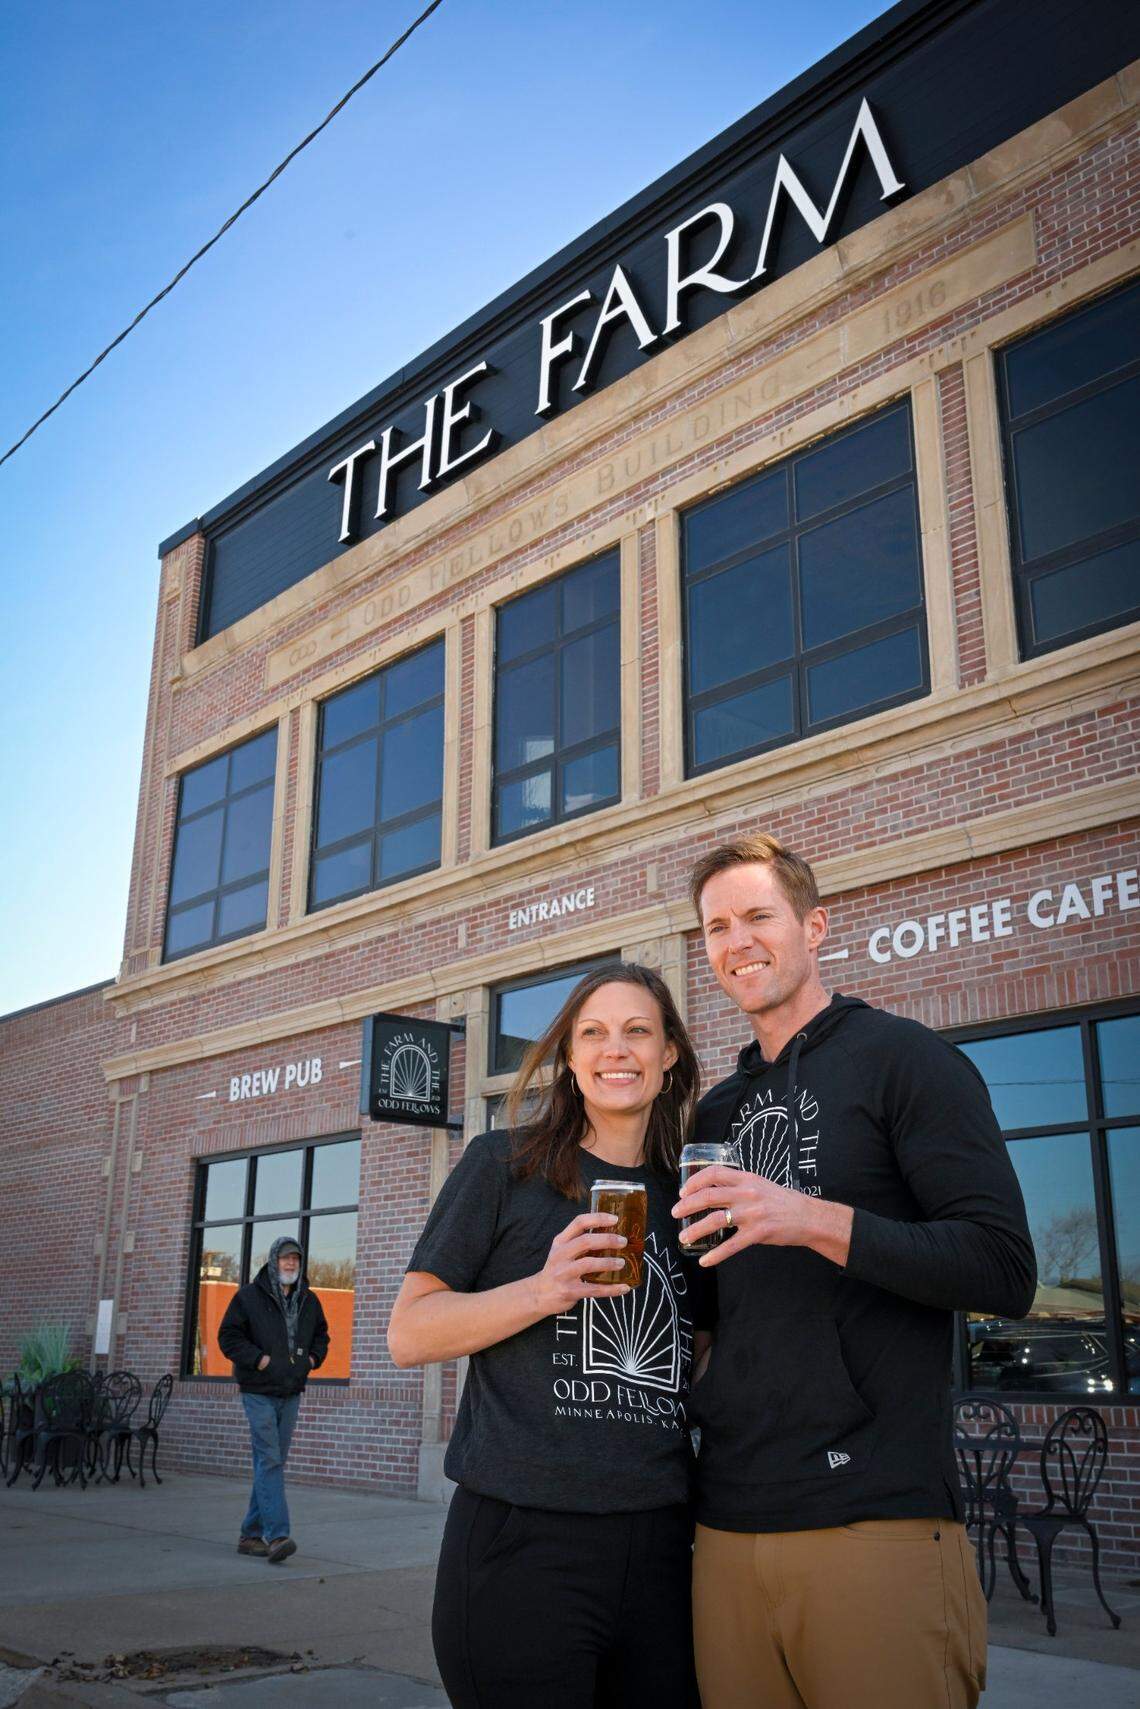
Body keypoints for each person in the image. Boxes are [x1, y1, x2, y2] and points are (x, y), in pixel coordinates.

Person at [675, 834, 1036, 1709]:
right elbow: (717, 1312)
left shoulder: (905, 1059)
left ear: (815, 925)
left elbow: (1002, 1265)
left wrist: (815, 1218)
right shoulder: (716, 1111)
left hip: (875, 1518)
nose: (738, 941)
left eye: (759, 915)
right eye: (717, 926)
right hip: (726, 1521)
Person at [388, 963, 709, 1709]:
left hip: (662, 1545)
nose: (615, 1049)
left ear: (670, 1056)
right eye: (592, 1033)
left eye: (638, 1030)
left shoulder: (690, 1198)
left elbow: (700, 1356)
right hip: (520, 1545)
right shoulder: (505, 1164)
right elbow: (409, 1332)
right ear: (569, 1057)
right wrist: (545, 1288)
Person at [217, 1233, 330, 1564]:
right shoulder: (249, 1298)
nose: (291, 1263)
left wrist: (311, 1360)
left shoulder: (309, 1300)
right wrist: (260, 1360)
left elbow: (322, 1335)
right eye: (285, 1258)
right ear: (273, 1261)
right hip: (258, 1391)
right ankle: (277, 1535)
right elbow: (228, 1337)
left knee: (272, 1462)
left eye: (295, 1258)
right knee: (270, 1460)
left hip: (291, 1391)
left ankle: (249, 1535)